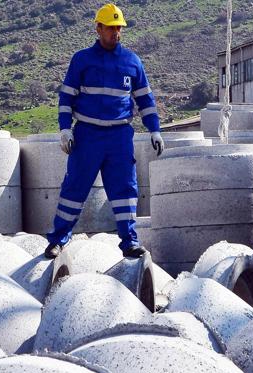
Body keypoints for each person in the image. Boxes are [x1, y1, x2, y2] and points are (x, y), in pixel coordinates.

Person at [44, 3, 164, 259]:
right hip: (87, 135)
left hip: (119, 136)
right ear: (98, 28)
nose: (115, 33)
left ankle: (129, 242)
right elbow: (66, 99)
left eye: (118, 28)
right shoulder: (82, 60)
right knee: (74, 189)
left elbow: (145, 100)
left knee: (124, 191)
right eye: (110, 28)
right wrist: (65, 130)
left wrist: (155, 130)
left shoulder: (132, 62)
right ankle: (57, 240)